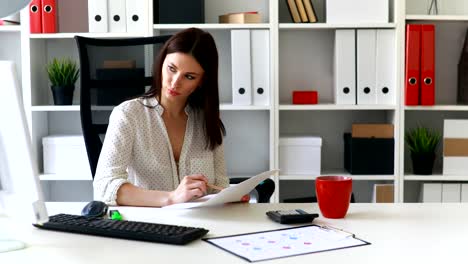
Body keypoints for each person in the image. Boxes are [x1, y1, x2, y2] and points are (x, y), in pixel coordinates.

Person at [93, 28, 232, 207]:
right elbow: (104, 186)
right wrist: (171, 198)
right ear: (161, 62)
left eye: (189, 76)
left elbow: (219, 186)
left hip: (200, 224)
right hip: (147, 226)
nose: (175, 82)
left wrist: (231, 196)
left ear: (202, 81)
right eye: (171, 69)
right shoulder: (128, 115)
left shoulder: (206, 120)